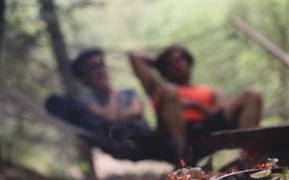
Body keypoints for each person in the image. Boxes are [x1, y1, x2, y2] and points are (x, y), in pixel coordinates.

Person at [128, 44, 262, 160]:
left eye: (180, 59)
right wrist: (159, 61)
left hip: (208, 126)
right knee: (170, 91)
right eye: (170, 63)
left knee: (252, 95)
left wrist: (197, 106)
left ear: (188, 62)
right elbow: (134, 56)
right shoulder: (159, 89)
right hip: (176, 134)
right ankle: (183, 157)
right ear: (164, 69)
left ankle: (249, 155)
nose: (176, 64)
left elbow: (222, 112)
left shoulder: (209, 90)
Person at [47, 48, 180, 163]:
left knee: (169, 94)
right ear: (84, 77)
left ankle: (182, 154)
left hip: (149, 137)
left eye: (102, 65)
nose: (101, 70)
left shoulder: (128, 92)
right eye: (94, 67)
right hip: (124, 145)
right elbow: (110, 118)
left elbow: (137, 111)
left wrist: (118, 114)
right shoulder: (84, 100)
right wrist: (110, 92)